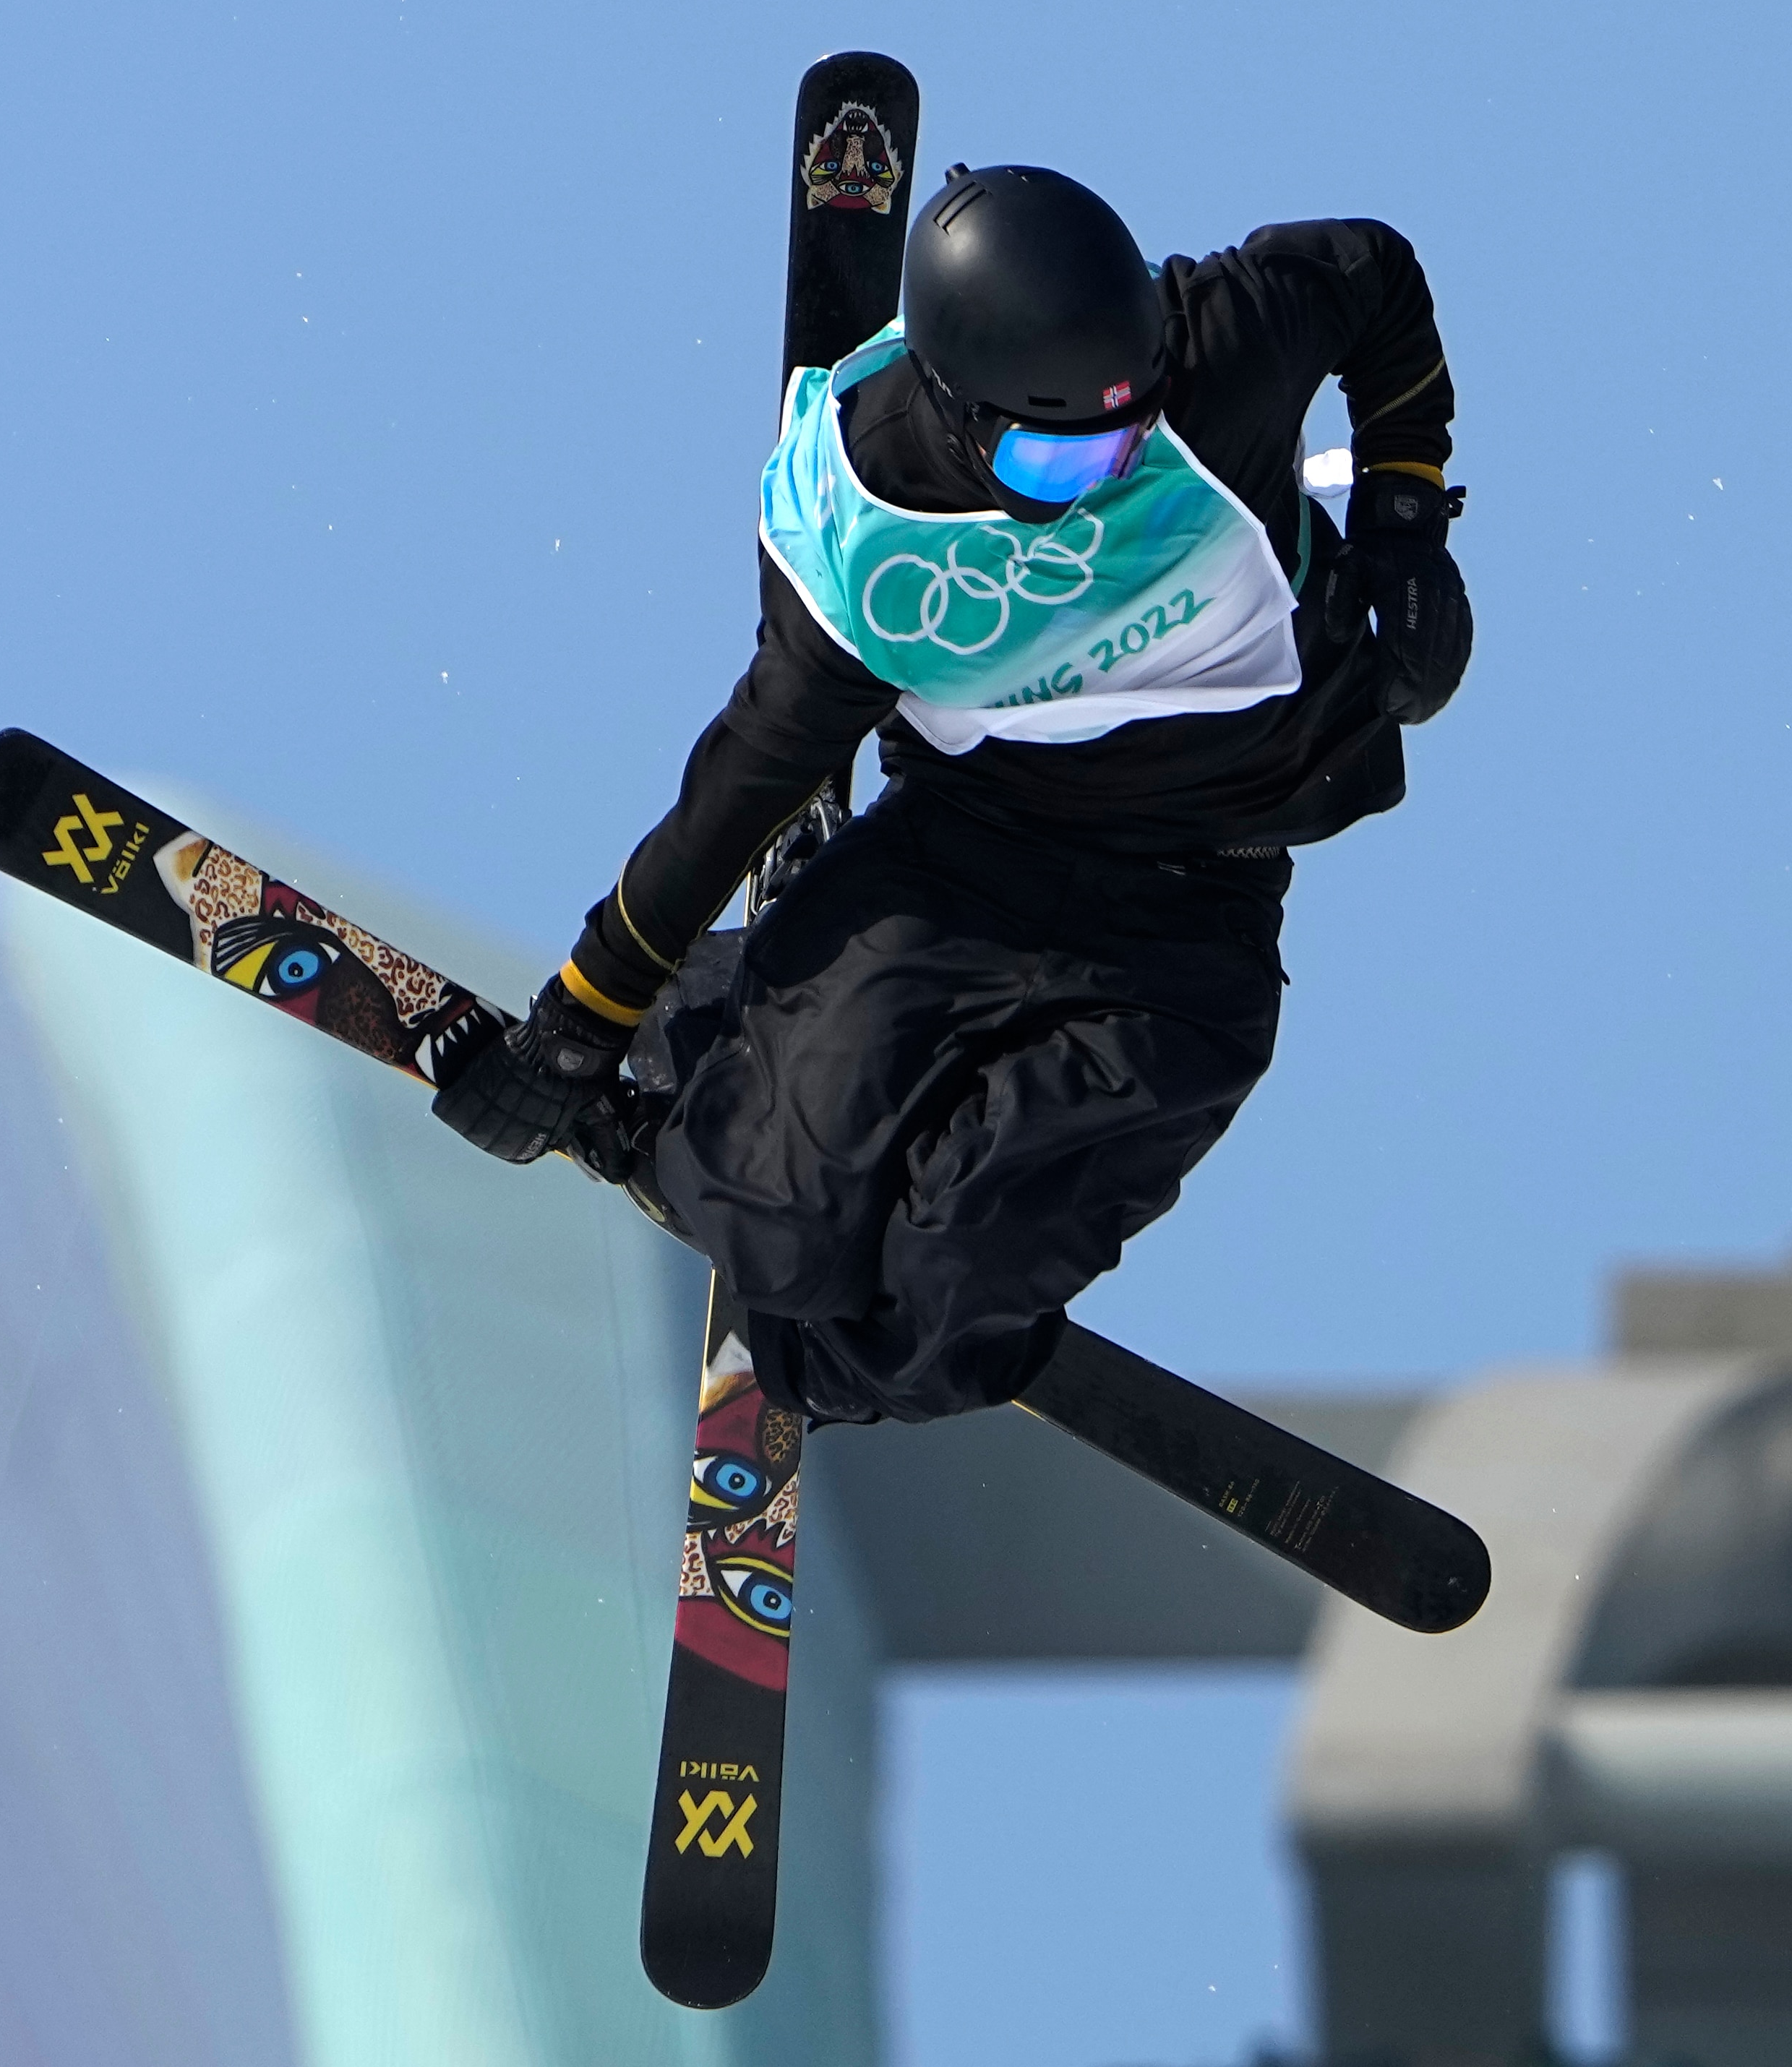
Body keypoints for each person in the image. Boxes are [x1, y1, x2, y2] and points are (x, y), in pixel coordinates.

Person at [432, 163, 1468, 1427]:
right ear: (959, 409)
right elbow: (734, 791)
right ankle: (713, 1055)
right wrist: (575, 1026)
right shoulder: (862, 539)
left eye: (1128, 429)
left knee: (932, 1296)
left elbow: (1374, 275)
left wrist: (1407, 520)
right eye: (1053, 451)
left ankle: (808, 1243)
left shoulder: (1223, 349)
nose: (1105, 472)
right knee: (782, 1232)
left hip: (1194, 909)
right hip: (963, 860)